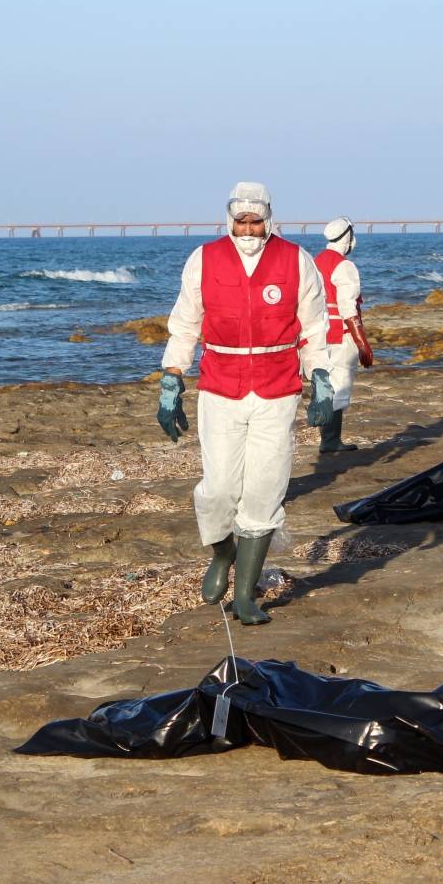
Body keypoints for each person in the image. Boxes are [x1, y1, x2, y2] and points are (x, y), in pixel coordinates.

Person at [156, 182, 335, 625]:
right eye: (242, 221)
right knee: (218, 490)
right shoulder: (204, 259)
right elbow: (185, 323)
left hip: (277, 389)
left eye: (257, 221)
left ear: (269, 218)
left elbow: (314, 326)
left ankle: (245, 596)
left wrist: (321, 378)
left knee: (264, 489)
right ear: (229, 219)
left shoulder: (296, 260)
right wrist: (172, 377)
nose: (249, 229)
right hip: (220, 388)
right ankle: (222, 554)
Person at [311, 217, 374, 452]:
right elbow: (348, 307)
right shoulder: (344, 266)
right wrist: (362, 343)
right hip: (340, 334)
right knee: (339, 385)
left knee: (324, 385)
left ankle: (327, 439)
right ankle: (331, 441)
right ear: (348, 237)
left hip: (319, 334)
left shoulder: (314, 262)